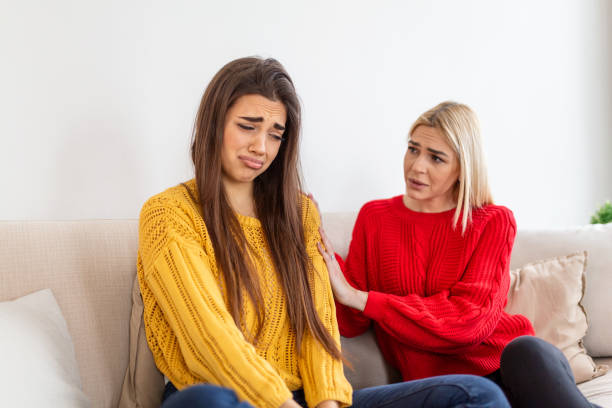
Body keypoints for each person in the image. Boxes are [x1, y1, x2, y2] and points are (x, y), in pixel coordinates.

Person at [137, 58, 510, 408]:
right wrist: (280, 403)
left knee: (475, 393)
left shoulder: (298, 214)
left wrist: (327, 402)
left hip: (304, 399)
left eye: (275, 134)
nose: (260, 147)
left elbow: (319, 330)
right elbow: (208, 337)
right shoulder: (169, 214)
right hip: (224, 396)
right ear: (214, 122)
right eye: (248, 126)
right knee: (208, 401)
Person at [317, 101, 599, 408]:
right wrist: (309, 240)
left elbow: (470, 322)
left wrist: (362, 298)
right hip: (449, 390)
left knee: (527, 350)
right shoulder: (375, 218)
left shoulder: (493, 221)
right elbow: (350, 322)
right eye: (413, 149)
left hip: (513, 369)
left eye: (436, 158)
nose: (417, 166)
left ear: (462, 168)